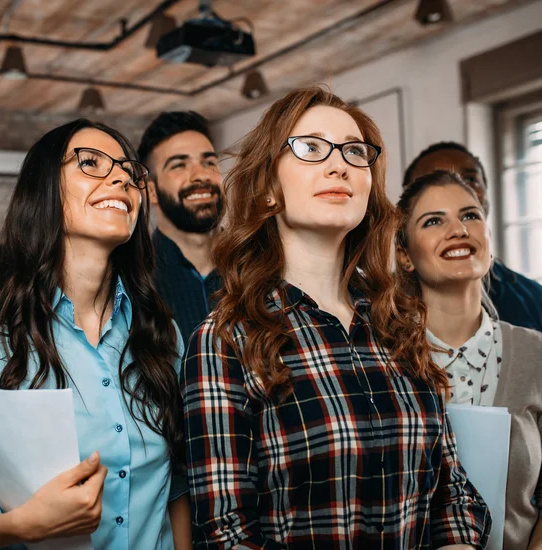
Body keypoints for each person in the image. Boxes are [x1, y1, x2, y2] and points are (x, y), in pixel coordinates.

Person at [181, 86, 491, 548]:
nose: (339, 164)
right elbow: (226, 534)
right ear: (268, 188)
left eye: (354, 151)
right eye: (309, 148)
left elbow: (455, 496)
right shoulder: (226, 339)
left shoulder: (397, 322)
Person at [0, 119, 191, 550]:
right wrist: (21, 525)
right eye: (91, 163)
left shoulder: (161, 334)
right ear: (44, 189)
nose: (122, 178)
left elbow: (176, 482)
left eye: (129, 171)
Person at [396, 169, 542, 550]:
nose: (458, 230)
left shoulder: (541, 357)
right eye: (433, 221)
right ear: (404, 255)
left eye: (470, 215)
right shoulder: (379, 356)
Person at [403, 141, 542, 352]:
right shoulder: (381, 312)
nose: (454, 188)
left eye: (469, 179)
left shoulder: (536, 301)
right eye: (434, 180)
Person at [137, 111, 223, 345]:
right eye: (179, 165)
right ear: (151, 191)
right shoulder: (135, 280)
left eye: (209, 162)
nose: (201, 175)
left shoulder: (259, 266)